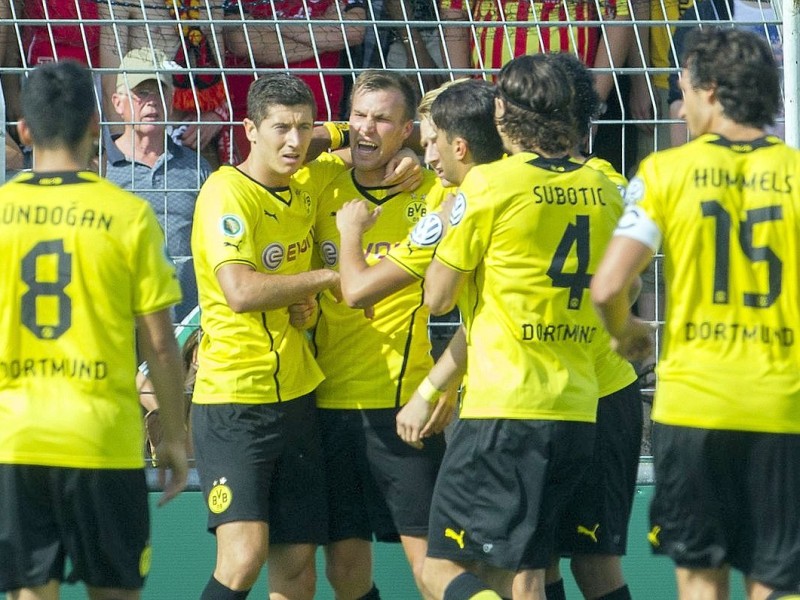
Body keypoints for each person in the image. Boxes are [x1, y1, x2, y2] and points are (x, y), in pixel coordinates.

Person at [591, 28, 800, 600]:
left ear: (710, 90)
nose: (678, 99)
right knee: (776, 581)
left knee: (700, 581)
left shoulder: (665, 172)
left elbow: (608, 285)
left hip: (693, 403)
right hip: (780, 403)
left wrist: (629, 332)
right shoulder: (798, 173)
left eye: (682, 85)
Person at [420, 54, 625, 600]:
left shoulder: (489, 185)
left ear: (504, 113)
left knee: (437, 568)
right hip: (578, 408)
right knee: (529, 571)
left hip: (504, 408)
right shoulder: (605, 187)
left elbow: (437, 298)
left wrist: (447, 227)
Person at [0, 60, 188, 600]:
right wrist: (174, 435)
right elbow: (159, 340)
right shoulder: (128, 215)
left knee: (31, 594)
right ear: (94, 124)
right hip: (102, 440)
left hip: (17, 439)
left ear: (24, 130)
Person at [190, 73, 348, 600]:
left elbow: (366, 133)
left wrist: (405, 154)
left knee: (299, 564)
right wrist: (326, 279)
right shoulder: (225, 193)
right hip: (235, 400)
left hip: (298, 396)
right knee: (243, 556)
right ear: (249, 130)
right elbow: (239, 290)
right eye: (280, 127)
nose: (294, 140)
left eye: (304, 127)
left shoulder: (307, 178)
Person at [311, 69, 442, 600]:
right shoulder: (318, 180)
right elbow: (286, 137)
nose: (367, 128)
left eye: (382, 120)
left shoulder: (433, 193)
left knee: (431, 565)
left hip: (400, 402)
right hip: (325, 400)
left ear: (408, 129)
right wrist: (348, 136)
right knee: (345, 570)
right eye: (358, 116)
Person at [544, 52, 643, 600]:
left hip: (588, 394)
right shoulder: (609, 180)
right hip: (582, 392)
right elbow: (630, 287)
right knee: (556, 561)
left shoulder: (499, 185)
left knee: (570, 562)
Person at [438, 0, 652, 175]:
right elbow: (454, 13)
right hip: (491, 96)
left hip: (566, 99)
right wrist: (465, 99)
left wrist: (593, 104)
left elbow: (619, 13)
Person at [105, 47, 212, 323]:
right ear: (118, 103)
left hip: (184, 328)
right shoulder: (99, 168)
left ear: (172, 100)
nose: (151, 102)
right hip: (118, 325)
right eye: (142, 92)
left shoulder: (197, 169)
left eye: (160, 91)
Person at [222, 0, 367, 161]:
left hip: (322, 117)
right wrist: (324, 36)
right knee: (256, 184)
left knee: (317, 181)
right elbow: (242, 41)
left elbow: (353, 31)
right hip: (255, 117)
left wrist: (265, 24)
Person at [97, 1, 230, 166]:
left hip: (198, 138)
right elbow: (112, 81)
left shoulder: (212, 3)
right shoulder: (121, 3)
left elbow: (218, 73)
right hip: (140, 142)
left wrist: (217, 115)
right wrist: (122, 155)